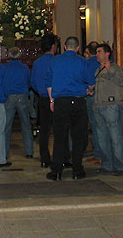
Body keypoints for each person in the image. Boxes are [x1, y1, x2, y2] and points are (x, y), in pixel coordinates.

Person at [46, 36, 94, 181]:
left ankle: (57, 171)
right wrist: (88, 90)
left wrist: (51, 100)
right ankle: (77, 171)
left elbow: (49, 84)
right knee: (79, 137)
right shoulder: (82, 61)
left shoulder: (55, 61)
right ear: (78, 48)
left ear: (65, 47)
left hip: (61, 102)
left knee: (59, 137)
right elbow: (91, 82)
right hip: (78, 102)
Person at [93, 43, 123, 176]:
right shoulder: (98, 70)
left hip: (111, 107)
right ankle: (107, 165)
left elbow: (122, 81)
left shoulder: (115, 68)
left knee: (116, 138)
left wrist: (110, 70)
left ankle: (121, 167)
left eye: (99, 52)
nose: (97, 54)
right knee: (102, 139)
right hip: (99, 107)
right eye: (96, 52)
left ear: (107, 53)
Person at [31, 33, 67, 168]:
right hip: (57, 98)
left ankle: (45, 158)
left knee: (44, 130)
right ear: (53, 46)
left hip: (42, 98)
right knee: (60, 129)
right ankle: (62, 157)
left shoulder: (37, 62)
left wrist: (41, 91)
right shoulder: (57, 61)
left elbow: (33, 82)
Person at [3, 46, 34, 160]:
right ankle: (29, 151)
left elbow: (4, 83)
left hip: (10, 96)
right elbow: (28, 82)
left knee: (7, 126)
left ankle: (5, 153)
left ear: (9, 55)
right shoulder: (24, 68)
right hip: (22, 96)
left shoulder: (5, 68)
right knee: (26, 125)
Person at [83, 41, 103, 163]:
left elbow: (86, 79)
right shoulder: (103, 62)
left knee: (95, 127)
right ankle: (103, 154)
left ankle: (98, 154)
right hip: (103, 97)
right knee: (102, 126)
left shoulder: (88, 63)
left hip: (91, 96)